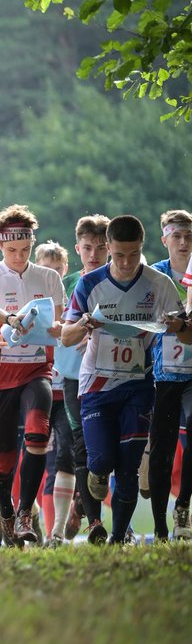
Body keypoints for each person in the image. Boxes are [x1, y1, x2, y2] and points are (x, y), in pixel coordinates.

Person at [62, 215, 186, 544]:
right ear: (108, 250)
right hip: (97, 384)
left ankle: (117, 538)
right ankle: (98, 474)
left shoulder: (159, 284)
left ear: (141, 248)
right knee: (101, 459)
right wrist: (84, 324)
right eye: (119, 256)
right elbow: (65, 337)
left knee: (129, 467)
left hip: (138, 384)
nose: (127, 262)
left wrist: (177, 327)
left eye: (133, 254)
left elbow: (187, 333)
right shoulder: (89, 284)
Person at [0, 205, 65, 545]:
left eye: (25, 249)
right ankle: (7, 512)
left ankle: (26, 512)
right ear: (0, 245)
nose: (18, 256)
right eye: (12, 250)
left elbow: (60, 326)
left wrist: (59, 330)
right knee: (4, 457)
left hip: (37, 370)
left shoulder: (48, 278)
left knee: (38, 434)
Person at [61, 214, 110, 542]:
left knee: (105, 451)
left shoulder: (120, 279)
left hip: (110, 374)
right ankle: (96, 523)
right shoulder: (65, 283)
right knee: (81, 447)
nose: (94, 254)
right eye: (87, 248)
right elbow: (54, 326)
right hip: (72, 374)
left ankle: (85, 500)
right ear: (77, 248)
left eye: (100, 247)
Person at [147, 210, 192, 540]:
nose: (184, 242)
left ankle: (183, 509)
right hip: (163, 375)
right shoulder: (154, 277)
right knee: (162, 449)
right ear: (165, 241)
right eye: (177, 236)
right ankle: (160, 521)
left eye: (189, 236)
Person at [33, 241, 77, 545]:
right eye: (46, 270)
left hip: (68, 392)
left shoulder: (76, 299)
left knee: (66, 459)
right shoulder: (30, 302)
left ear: (65, 271)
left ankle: (57, 532)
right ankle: (32, 516)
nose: (52, 276)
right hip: (37, 391)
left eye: (57, 271)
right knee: (33, 461)